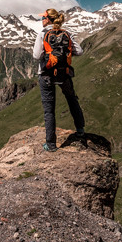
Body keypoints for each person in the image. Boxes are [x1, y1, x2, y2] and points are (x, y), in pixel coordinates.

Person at [33, 8, 85, 152]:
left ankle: (50, 145)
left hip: (46, 75)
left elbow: (37, 56)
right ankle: (80, 130)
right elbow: (79, 51)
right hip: (64, 74)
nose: (41, 20)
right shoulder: (66, 33)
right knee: (72, 99)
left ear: (49, 19)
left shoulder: (43, 34)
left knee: (49, 110)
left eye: (43, 18)